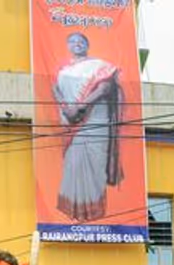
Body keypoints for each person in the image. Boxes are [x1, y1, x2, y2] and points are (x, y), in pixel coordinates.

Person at [54, 32, 123, 222]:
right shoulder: (63, 69)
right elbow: (56, 91)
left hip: (95, 119)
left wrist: (81, 105)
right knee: (73, 162)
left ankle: (93, 211)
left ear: (87, 44)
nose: (77, 44)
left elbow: (106, 88)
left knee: (94, 163)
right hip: (70, 122)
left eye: (81, 41)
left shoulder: (100, 66)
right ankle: (72, 210)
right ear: (68, 45)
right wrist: (67, 109)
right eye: (73, 41)